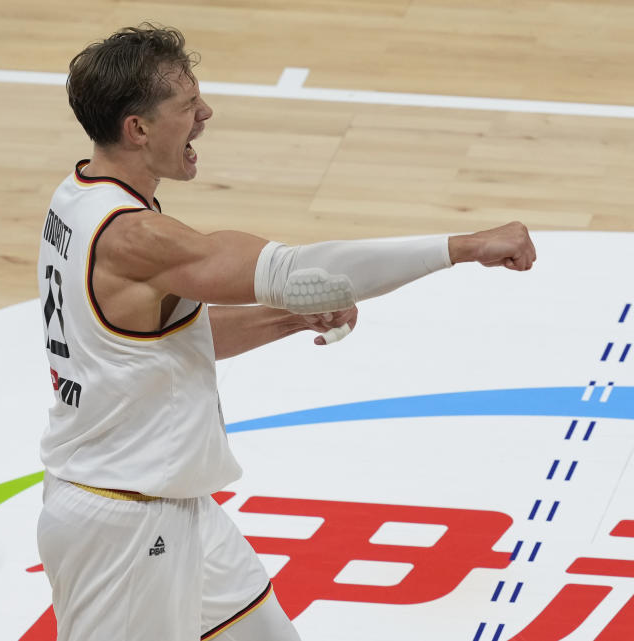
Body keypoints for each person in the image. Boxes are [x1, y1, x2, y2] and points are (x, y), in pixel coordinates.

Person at [36, 24, 536, 641]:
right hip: (125, 524)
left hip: (168, 503)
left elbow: (165, 342)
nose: (206, 114)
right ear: (137, 128)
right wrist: (464, 246)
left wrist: (290, 318)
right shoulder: (137, 238)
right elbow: (304, 273)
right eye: (189, 106)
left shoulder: (76, 196)